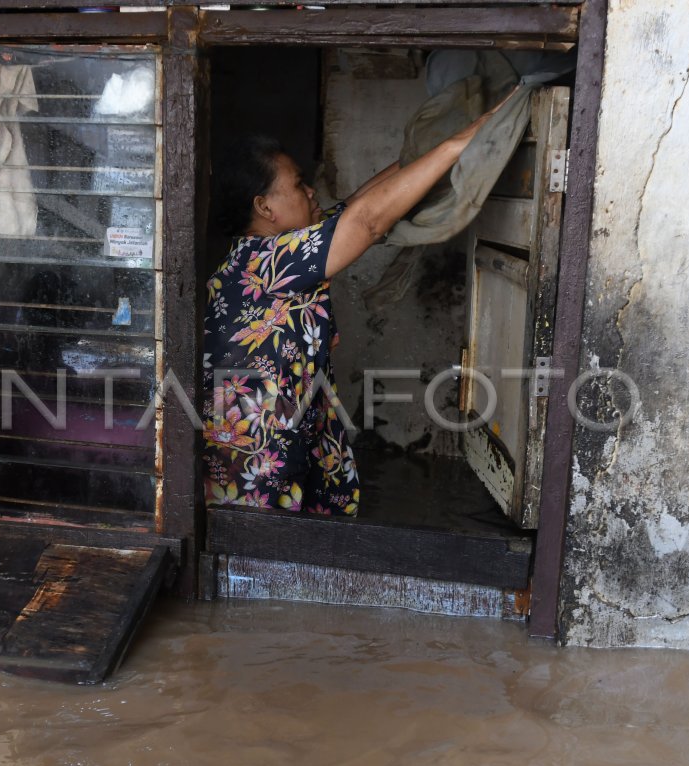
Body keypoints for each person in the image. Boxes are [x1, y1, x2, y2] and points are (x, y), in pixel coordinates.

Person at [201, 103, 507, 516]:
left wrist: (433, 146)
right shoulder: (268, 263)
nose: (311, 191)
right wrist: (460, 142)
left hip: (280, 456)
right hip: (258, 478)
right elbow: (366, 221)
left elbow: (356, 205)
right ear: (264, 207)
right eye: (298, 184)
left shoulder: (264, 254)